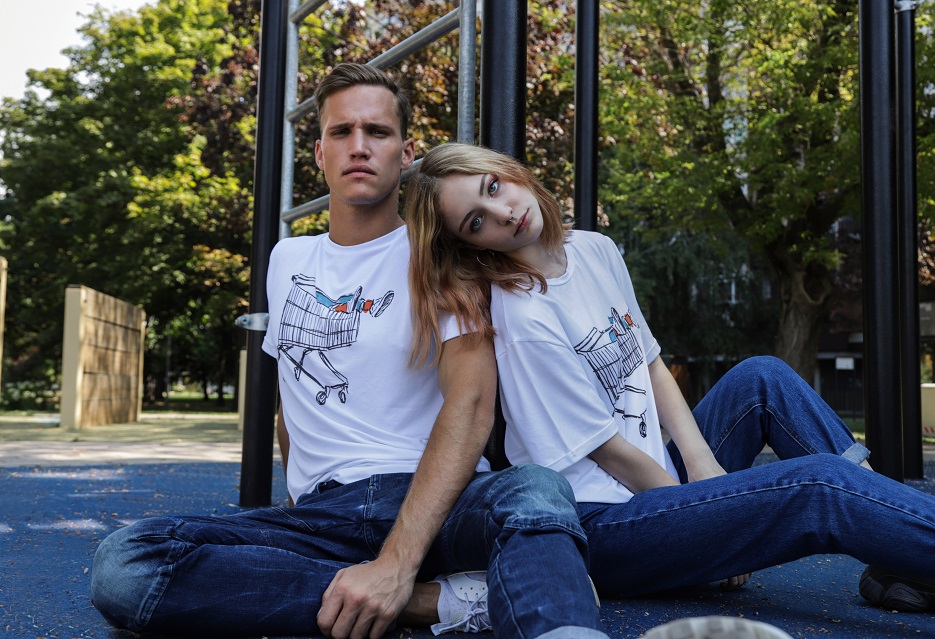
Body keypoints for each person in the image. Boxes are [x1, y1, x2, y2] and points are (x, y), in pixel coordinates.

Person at [89, 64, 607, 639]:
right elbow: (293, 397)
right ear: (319, 152)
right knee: (125, 563)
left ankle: (550, 624)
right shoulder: (287, 260)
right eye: (341, 132)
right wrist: (299, 510)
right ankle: (444, 602)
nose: (359, 146)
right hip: (324, 514)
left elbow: (472, 403)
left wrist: (397, 561)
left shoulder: (438, 253)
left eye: (377, 132)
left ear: (406, 152)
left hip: (435, 500)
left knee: (535, 489)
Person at [405, 142, 935, 621]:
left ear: (511, 172)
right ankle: (929, 548)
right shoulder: (524, 317)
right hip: (605, 527)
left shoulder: (593, 249)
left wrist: (701, 466)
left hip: (658, 482)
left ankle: (898, 555)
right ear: (472, 245)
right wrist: (702, 510)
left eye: (494, 187)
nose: (502, 212)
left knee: (761, 378)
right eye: (476, 221)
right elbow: (608, 452)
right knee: (819, 485)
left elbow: (649, 365)